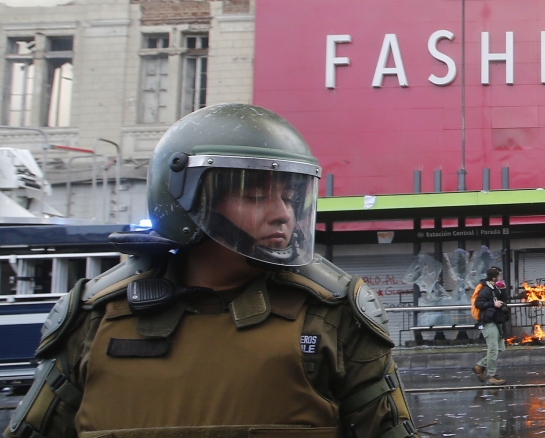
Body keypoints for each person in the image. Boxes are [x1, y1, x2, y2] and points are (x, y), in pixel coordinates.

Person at [6, 103, 418, 438]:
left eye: (290, 197)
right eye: (256, 196)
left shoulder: (333, 313)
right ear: (187, 200)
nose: (283, 216)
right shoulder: (94, 318)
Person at [472, 267, 509, 385]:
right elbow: (478, 303)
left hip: (496, 321)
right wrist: (492, 304)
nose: (501, 278)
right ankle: (492, 376)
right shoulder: (486, 289)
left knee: (500, 348)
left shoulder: (495, 288)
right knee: (493, 349)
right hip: (488, 322)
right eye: (499, 276)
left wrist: (503, 289)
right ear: (494, 278)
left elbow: (504, 299)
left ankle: (480, 366)